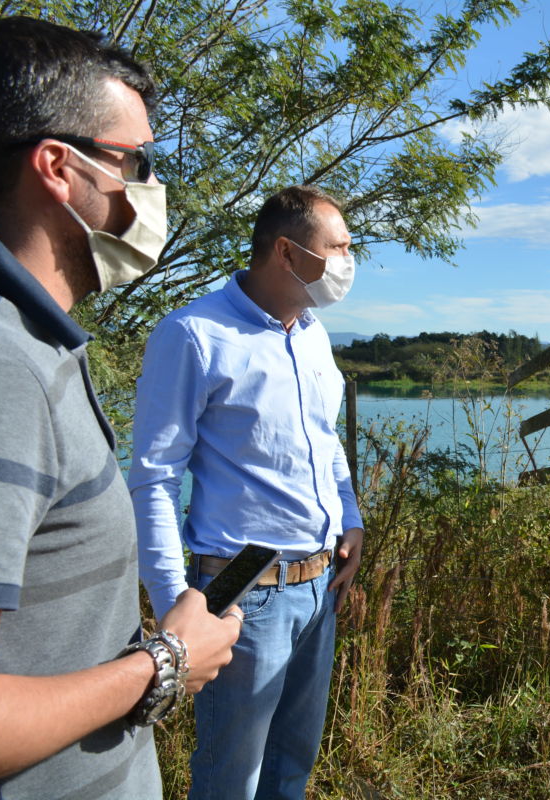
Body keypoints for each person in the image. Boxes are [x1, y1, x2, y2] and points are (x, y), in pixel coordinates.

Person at [0, 16, 242, 798]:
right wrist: (162, 665)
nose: (150, 189)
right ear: (58, 168)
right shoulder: (2, 371)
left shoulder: (36, 346)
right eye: (134, 161)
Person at [129, 184, 365, 799]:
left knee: (292, 767)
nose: (348, 260)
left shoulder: (312, 333)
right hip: (241, 586)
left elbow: (325, 437)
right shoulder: (194, 335)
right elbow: (155, 475)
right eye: (337, 246)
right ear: (288, 254)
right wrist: (172, 598)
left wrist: (352, 517)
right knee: (232, 776)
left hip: (319, 586)